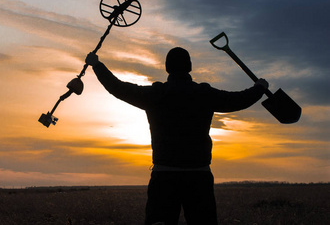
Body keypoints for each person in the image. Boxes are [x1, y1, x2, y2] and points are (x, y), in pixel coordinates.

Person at [85, 47, 268, 225]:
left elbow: (118, 88)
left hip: (164, 177)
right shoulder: (203, 94)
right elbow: (237, 100)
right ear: (189, 67)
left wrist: (97, 65)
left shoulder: (156, 94)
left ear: (167, 68)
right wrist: (259, 88)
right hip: (199, 177)